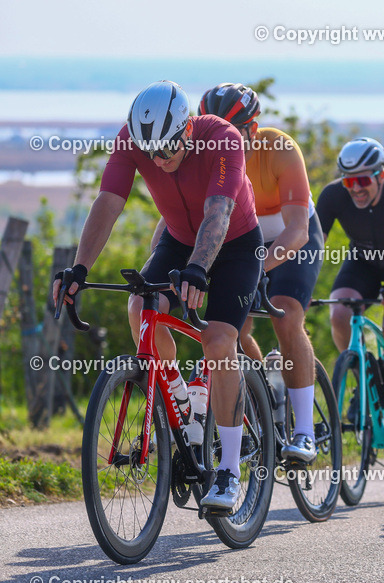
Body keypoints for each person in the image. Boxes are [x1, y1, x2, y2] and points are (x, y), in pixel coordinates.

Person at [53, 80, 262, 509]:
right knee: (139, 308)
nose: (159, 160)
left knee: (218, 342)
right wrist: (80, 269)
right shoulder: (132, 140)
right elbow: (108, 202)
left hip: (236, 245)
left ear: (188, 129)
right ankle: (182, 401)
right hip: (178, 240)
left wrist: (199, 269)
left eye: (167, 149)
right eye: (150, 152)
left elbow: (219, 211)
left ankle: (228, 471)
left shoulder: (221, 137)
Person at [196, 82, 325, 463]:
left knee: (286, 314)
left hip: (291, 237)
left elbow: (298, 231)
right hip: (242, 240)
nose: (222, 142)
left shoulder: (280, 149)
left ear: (253, 129)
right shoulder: (206, 155)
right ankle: (262, 399)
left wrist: (257, 269)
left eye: (233, 133)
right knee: (230, 328)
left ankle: (304, 432)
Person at [316, 137, 384, 466]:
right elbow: (311, 245)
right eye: (349, 182)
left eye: (363, 180)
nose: (356, 189)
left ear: (381, 175)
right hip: (361, 264)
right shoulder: (333, 195)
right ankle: (360, 379)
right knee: (339, 313)